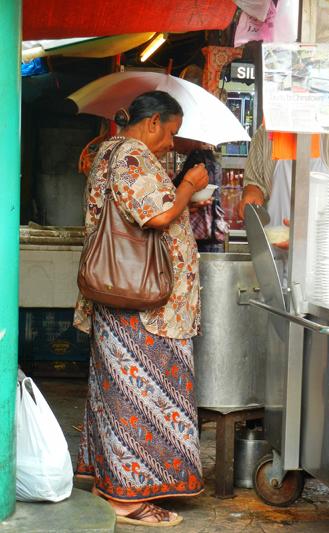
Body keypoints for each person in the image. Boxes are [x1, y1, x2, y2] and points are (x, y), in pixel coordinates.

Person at [73, 90, 208, 527]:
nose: (171, 144)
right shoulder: (130, 155)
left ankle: (115, 484)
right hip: (140, 307)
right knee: (137, 399)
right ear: (152, 124)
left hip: (129, 300)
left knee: (121, 396)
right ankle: (127, 499)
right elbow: (157, 217)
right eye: (171, 134)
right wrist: (189, 184)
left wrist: (181, 191)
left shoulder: (114, 152)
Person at [238, 114, 329, 224]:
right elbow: (255, 183)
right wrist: (251, 195)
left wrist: (307, 237)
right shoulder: (267, 130)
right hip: (276, 252)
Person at [174, 148, 228, 252]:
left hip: (196, 224)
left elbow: (179, 185)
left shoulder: (195, 160)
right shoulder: (216, 165)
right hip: (213, 222)